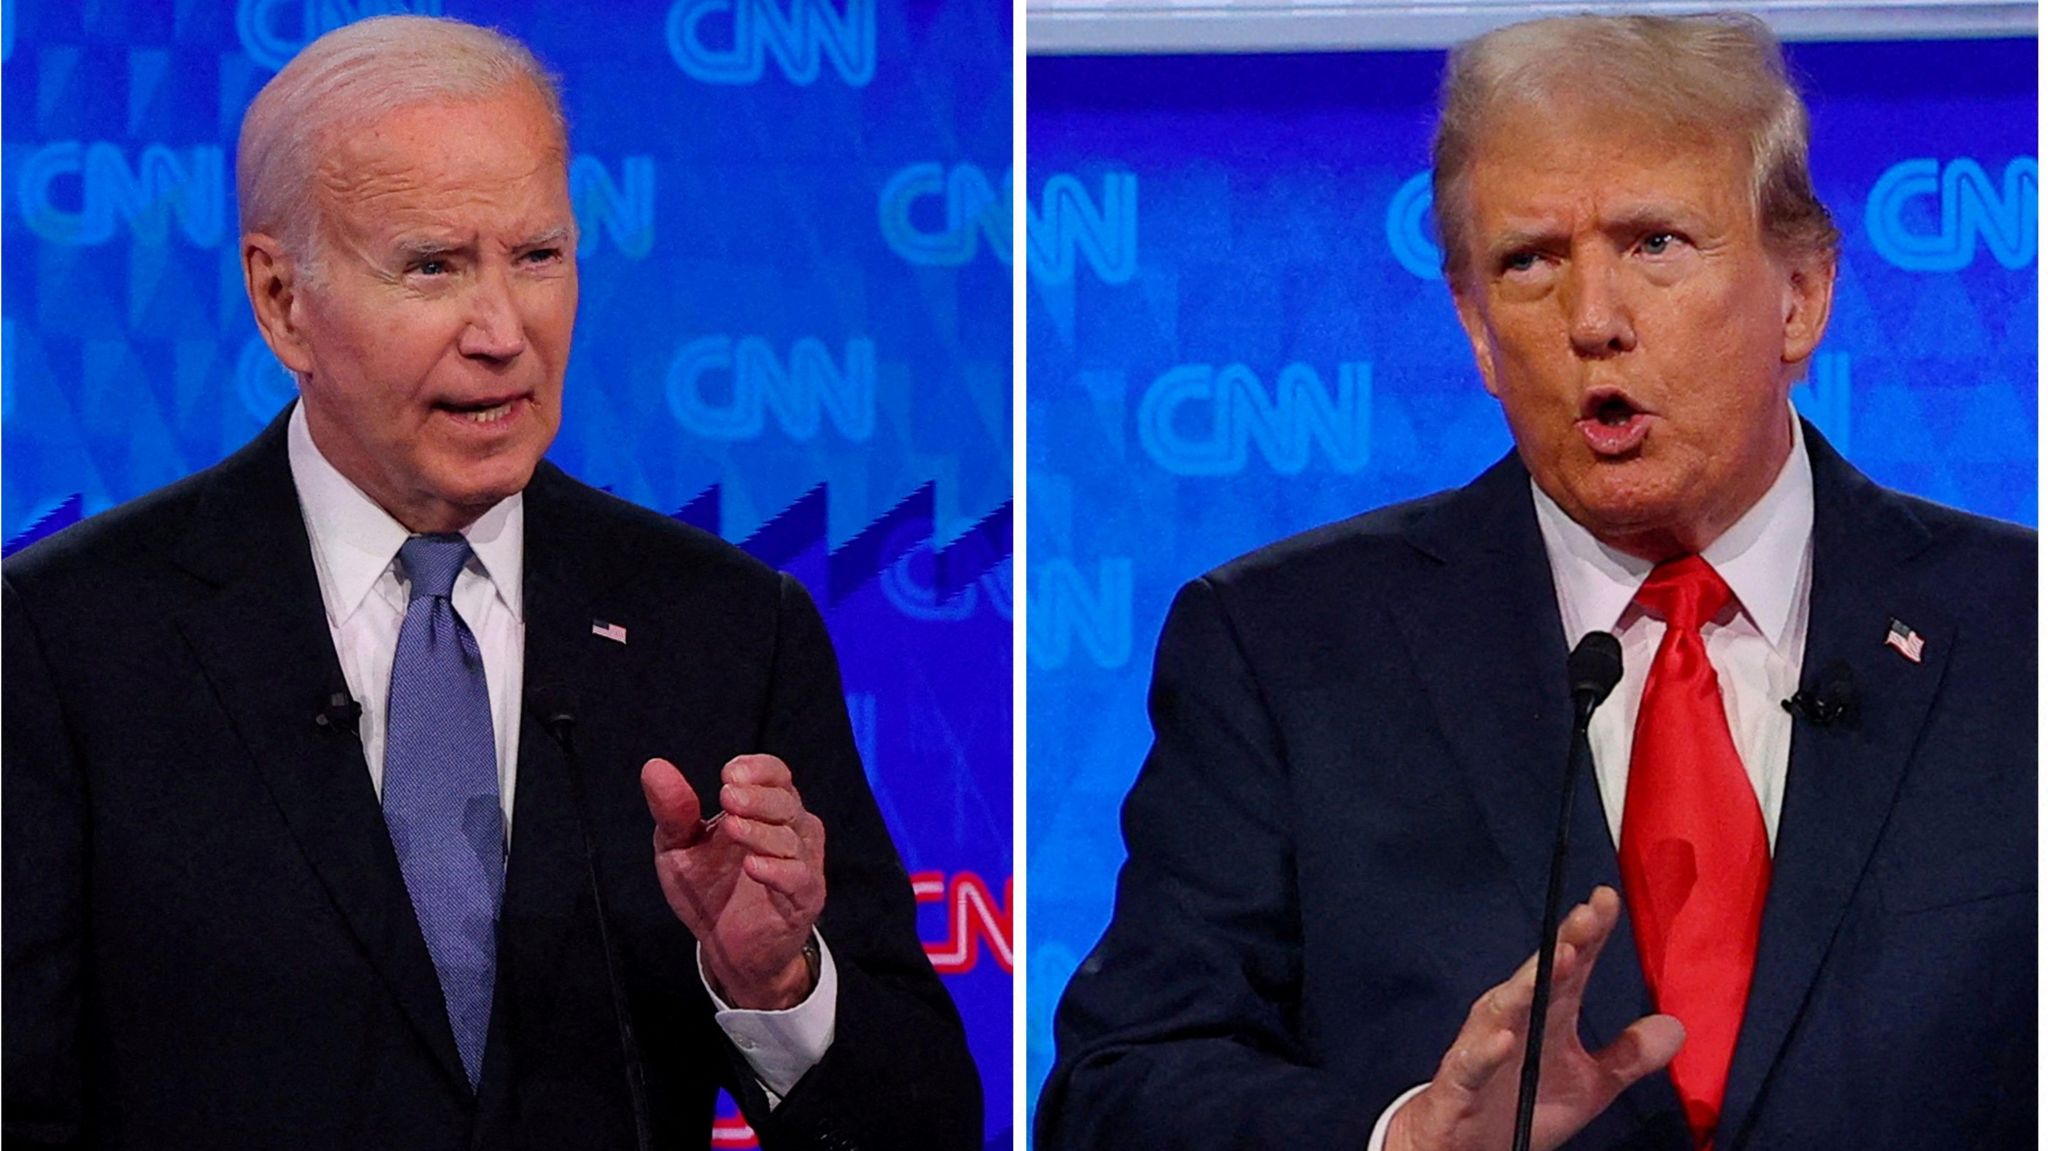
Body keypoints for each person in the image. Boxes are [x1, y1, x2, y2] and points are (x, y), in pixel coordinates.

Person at [1038, 13, 2033, 1151]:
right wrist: (1404, 1139)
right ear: (1472, 328)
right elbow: (1117, 1092)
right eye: (1528, 262)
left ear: (1799, 293)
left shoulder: (2020, 633)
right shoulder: (1281, 648)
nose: (1591, 321)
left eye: (1655, 243)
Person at [3, 15, 979, 1150]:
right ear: (281, 301)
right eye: (433, 265)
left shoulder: (722, 628)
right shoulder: (68, 638)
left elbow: (920, 1123)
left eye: (537, 256)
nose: (503, 330)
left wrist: (770, 980)